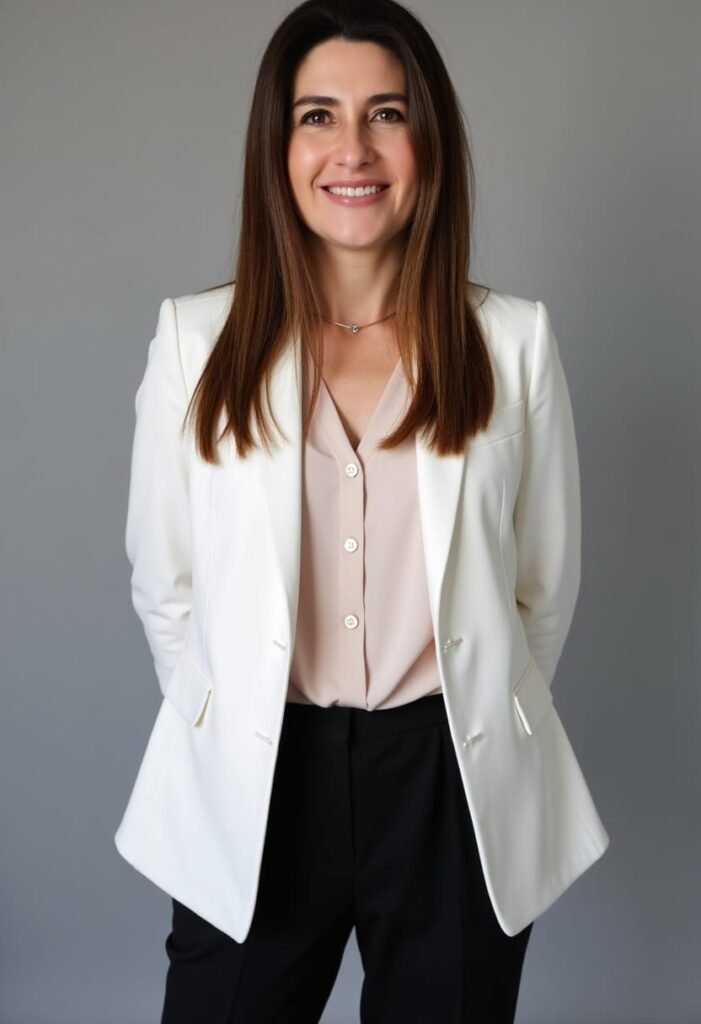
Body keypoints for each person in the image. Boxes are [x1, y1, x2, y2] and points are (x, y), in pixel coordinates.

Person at [113, 0, 611, 1020]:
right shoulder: (196, 342)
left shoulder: (511, 344)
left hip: (448, 780)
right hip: (258, 774)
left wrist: (464, 720)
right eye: (317, 116)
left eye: (386, 113)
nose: (353, 149)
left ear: (428, 140)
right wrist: (237, 715)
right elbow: (166, 585)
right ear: (278, 145)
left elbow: (541, 588)